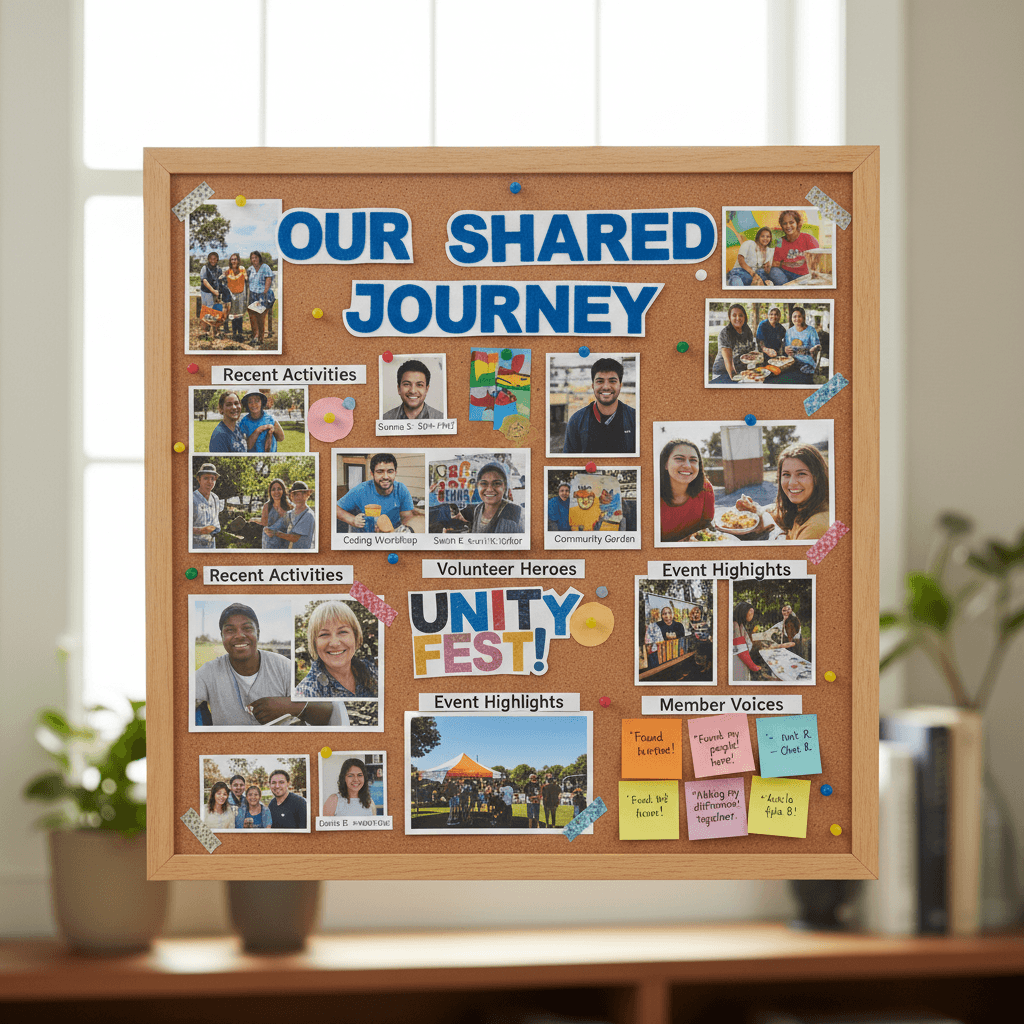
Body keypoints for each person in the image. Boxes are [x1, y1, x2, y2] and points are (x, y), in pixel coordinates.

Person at [194, 602, 343, 727]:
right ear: (222, 636)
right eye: (230, 630)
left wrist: (290, 706)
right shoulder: (209, 672)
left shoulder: (284, 666)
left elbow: (328, 711)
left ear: (258, 633)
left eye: (247, 628)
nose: (239, 635)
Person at [735, 443, 830, 541]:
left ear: (818, 477)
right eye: (786, 474)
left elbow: (796, 556)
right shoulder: (802, 507)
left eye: (801, 474)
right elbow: (777, 512)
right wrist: (755, 509)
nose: (792, 483)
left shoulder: (818, 526)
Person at [295, 599, 377, 701]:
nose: (334, 643)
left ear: (356, 636)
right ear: (314, 642)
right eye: (324, 634)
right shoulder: (306, 693)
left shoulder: (371, 670)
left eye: (342, 632)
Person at [562, 357, 636, 454]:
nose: (606, 387)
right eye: (600, 381)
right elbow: (568, 464)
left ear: (620, 385)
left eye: (612, 381)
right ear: (593, 386)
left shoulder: (635, 419)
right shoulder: (576, 421)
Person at [336, 453, 416, 533]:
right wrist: (353, 520)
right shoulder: (360, 490)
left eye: (390, 471)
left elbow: (407, 517)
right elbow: (335, 509)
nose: (385, 476)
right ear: (372, 474)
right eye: (380, 472)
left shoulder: (401, 489)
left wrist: (399, 533)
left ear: (395, 473)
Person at [659, 439, 715, 541]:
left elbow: (706, 527)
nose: (687, 465)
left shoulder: (706, 488)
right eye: (679, 459)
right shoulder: (650, 494)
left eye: (693, 460)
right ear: (665, 464)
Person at [468, 462, 525, 534]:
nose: (489, 489)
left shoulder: (516, 513)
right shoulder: (478, 509)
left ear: (505, 487)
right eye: (484, 483)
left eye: (497, 483)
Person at [710, 304, 758, 383]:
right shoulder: (725, 333)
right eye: (734, 315)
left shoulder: (747, 330)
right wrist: (735, 378)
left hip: (740, 370)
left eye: (741, 315)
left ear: (744, 317)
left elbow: (749, 353)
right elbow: (728, 360)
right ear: (730, 317)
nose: (738, 318)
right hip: (723, 373)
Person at [768, 211, 818, 286]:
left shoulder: (809, 239)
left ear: (797, 223)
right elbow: (775, 263)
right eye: (785, 223)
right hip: (785, 274)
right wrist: (789, 264)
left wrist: (783, 264)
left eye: (791, 222)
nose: (788, 226)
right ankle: (789, 288)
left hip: (803, 276)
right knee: (773, 271)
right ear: (782, 225)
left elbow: (816, 263)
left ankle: (789, 288)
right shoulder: (779, 241)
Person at [268, 481, 316, 549]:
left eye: (298, 494)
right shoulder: (289, 514)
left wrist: (276, 533)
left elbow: (294, 538)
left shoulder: (308, 515)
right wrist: (268, 529)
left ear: (306, 495)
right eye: (293, 494)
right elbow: (278, 525)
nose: (295, 496)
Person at [645, 604, 687, 669]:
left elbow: (682, 640)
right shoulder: (656, 626)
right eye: (664, 614)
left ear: (672, 614)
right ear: (661, 616)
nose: (667, 616)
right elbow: (649, 644)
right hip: (660, 657)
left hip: (676, 654)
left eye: (669, 613)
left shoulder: (679, 625)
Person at [782, 306, 822, 376]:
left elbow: (818, 346)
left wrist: (815, 348)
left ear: (803, 317)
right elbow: (786, 347)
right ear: (791, 318)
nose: (797, 319)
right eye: (794, 317)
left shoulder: (811, 330)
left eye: (799, 316)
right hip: (791, 362)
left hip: (807, 363)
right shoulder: (789, 332)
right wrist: (786, 349)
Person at [246, 250, 274, 345]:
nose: (254, 259)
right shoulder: (250, 269)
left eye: (256, 257)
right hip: (253, 295)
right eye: (252, 258)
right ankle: (255, 336)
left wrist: (264, 293)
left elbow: (268, 279)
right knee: (252, 316)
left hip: (263, 294)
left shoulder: (265, 267)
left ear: (259, 258)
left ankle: (261, 338)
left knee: (260, 317)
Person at [192, 462, 222, 549]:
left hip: (211, 545)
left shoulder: (215, 498)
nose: (210, 482)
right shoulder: (191, 498)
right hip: (195, 546)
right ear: (199, 479)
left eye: (212, 479)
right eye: (206, 478)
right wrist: (200, 531)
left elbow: (215, 524)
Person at [257, 478, 292, 550]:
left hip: (285, 544)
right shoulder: (267, 506)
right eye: (273, 489)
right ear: (270, 492)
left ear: (283, 491)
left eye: (279, 489)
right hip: (269, 544)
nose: (276, 492)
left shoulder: (290, 506)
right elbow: (264, 524)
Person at [732, 601, 761, 681]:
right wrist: (752, 666)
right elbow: (740, 648)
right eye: (750, 612)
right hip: (737, 660)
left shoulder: (740, 624)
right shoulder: (735, 625)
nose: (752, 615)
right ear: (743, 612)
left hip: (742, 659)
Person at [223, 252, 247, 338]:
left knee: (239, 313)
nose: (234, 261)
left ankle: (240, 332)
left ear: (238, 260)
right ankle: (234, 332)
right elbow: (221, 278)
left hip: (241, 294)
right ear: (230, 261)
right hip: (232, 294)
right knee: (233, 313)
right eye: (232, 259)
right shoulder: (228, 270)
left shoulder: (242, 269)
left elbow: (246, 278)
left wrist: (246, 277)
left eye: (235, 259)